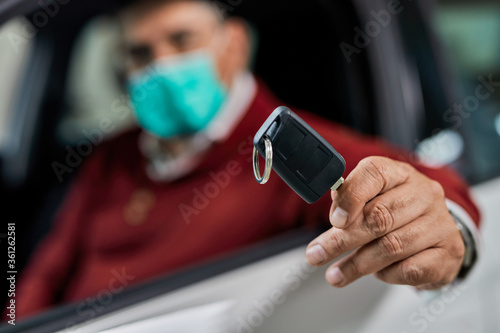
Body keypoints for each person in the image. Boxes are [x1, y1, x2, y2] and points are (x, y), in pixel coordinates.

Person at [15, 0, 480, 319]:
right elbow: (46, 270)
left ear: (233, 44)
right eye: (140, 53)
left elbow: (417, 186)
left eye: (181, 40)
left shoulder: (293, 148)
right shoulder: (110, 154)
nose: (160, 65)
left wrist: (445, 226)